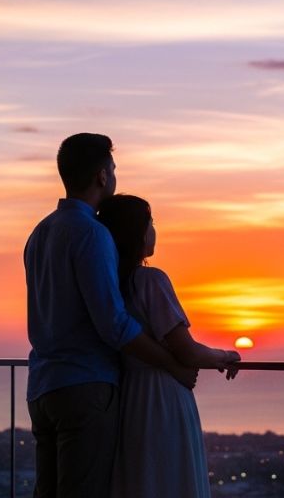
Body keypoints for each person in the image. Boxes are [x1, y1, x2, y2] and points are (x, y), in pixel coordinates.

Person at [25, 133, 199, 498]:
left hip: (42, 386)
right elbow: (114, 324)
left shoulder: (40, 233)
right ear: (103, 176)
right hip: (85, 387)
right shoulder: (92, 233)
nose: (115, 175)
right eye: (113, 168)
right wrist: (172, 363)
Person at [97, 194, 241, 498]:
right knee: (170, 478)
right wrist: (225, 356)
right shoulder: (151, 281)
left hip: (127, 396)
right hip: (162, 397)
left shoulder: (110, 285)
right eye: (151, 222)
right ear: (136, 232)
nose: (154, 230)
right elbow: (186, 350)